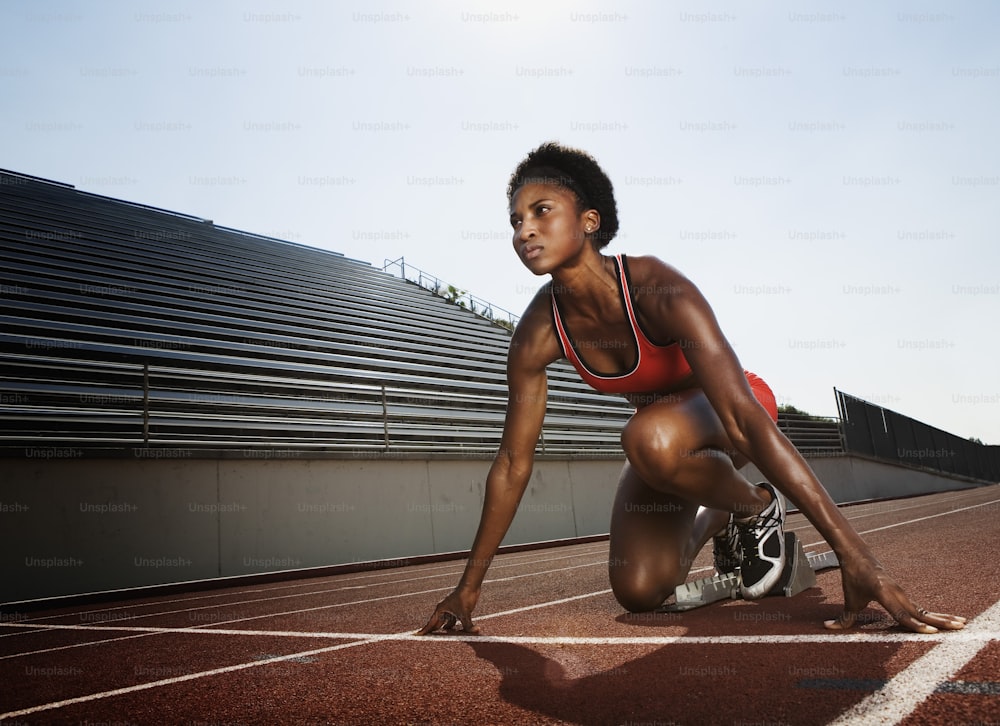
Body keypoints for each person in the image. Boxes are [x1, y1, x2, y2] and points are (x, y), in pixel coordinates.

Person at [418, 142, 965, 636]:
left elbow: (742, 418)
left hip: (736, 410)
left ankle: (755, 506)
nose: (524, 231)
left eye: (541, 212)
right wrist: (469, 589)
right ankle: (725, 516)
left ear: (589, 221)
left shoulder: (657, 286)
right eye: (515, 221)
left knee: (647, 437)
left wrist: (856, 555)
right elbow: (513, 462)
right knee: (639, 589)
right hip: (664, 444)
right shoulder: (538, 332)